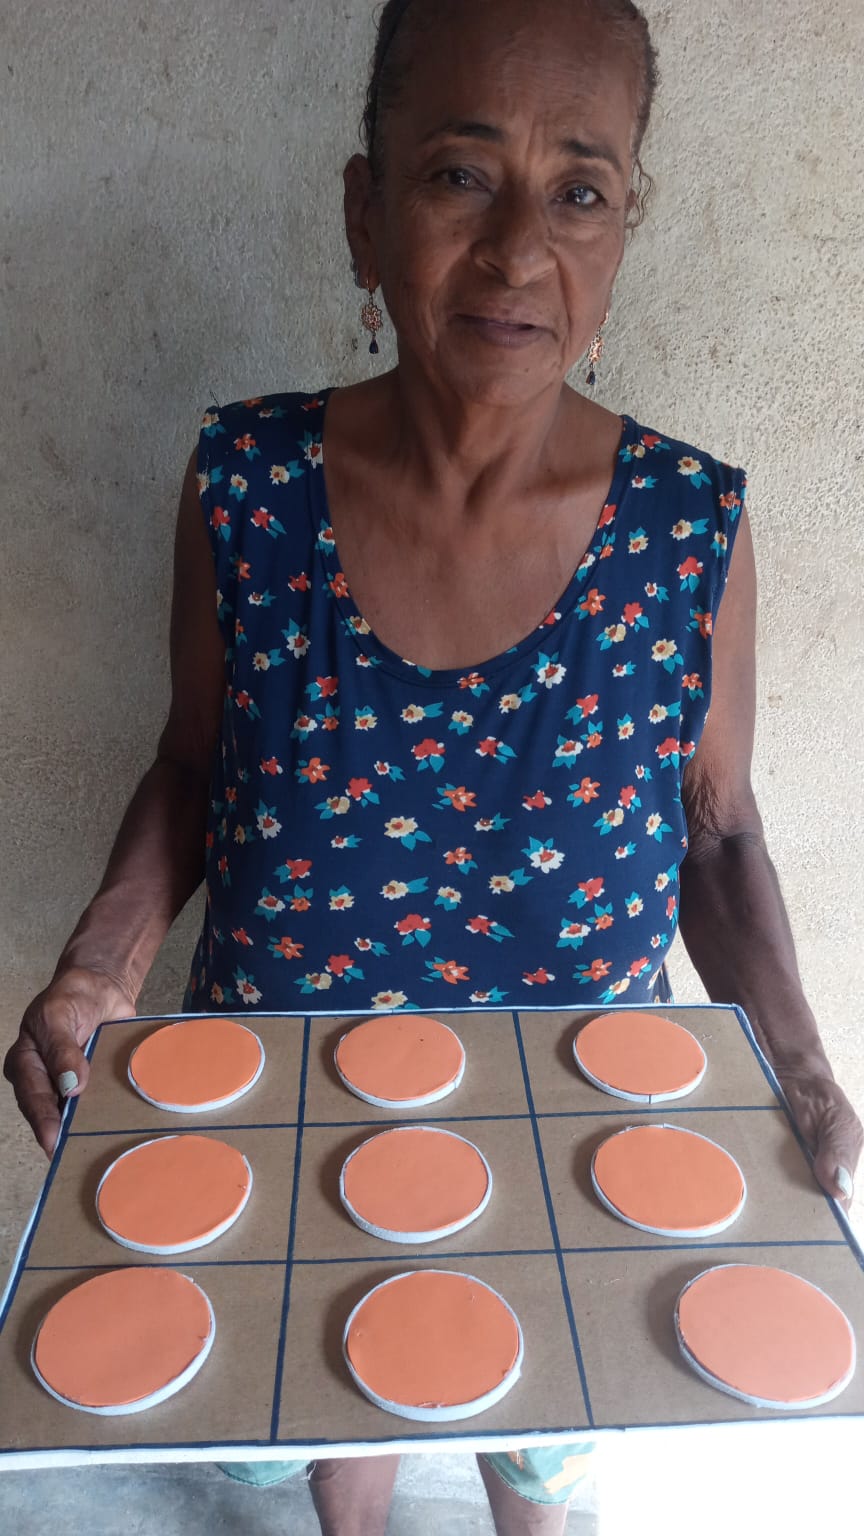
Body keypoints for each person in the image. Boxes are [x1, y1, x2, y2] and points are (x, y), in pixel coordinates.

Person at [6, 0, 862, 1532]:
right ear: (366, 208)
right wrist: (97, 967)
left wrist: (796, 1063)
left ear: (623, 227)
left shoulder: (688, 531)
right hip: (289, 1124)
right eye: (462, 175)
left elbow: (720, 836)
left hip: (585, 1145)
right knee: (341, 1402)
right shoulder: (249, 489)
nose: (519, 248)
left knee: (547, 1445)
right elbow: (192, 767)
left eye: (580, 189)